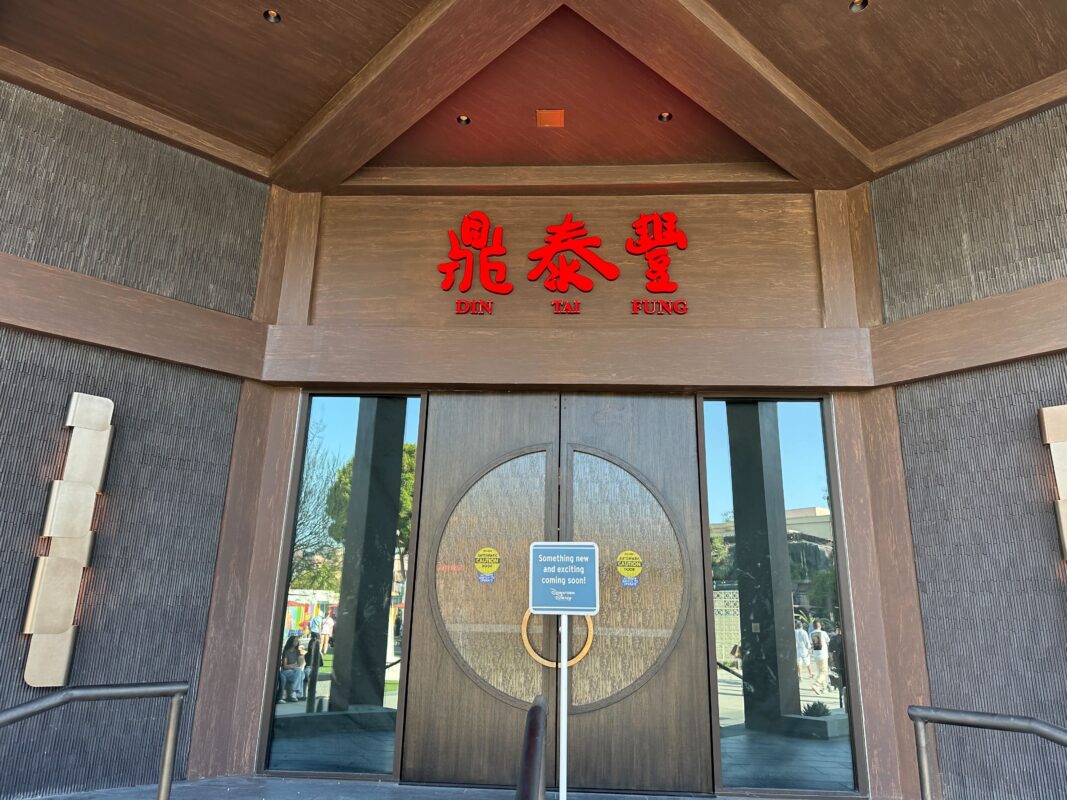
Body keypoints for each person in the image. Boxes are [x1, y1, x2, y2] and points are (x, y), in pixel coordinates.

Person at [278, 636, 305, 702]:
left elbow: (299, 664)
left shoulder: (297, 652)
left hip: (294, 671)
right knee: (300, 673)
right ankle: (295, 693)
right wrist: (293, 665)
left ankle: (293, 692)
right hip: (286, 672)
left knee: (300, 672)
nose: (296, 642)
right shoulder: (286, 652)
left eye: (297, 641)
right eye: (295, 641)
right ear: (291, 642)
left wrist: (301, 655)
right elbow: (285, 666)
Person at [829, 624, 848, 707]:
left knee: (841, 685)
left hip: (838, 664)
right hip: (845, 664)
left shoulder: (833, 639)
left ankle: (843, 701)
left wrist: (831, 663)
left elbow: (830, 652)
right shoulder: (846, 637)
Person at [810, 620, 831, 694]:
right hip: (823, 655)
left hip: (816, 655)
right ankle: (816, 684)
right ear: (820, 626)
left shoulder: (811, 634)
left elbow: (811, 644)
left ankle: (824, 688)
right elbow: (828, 641)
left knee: (821, 671)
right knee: (824, 672)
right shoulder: (823, 633)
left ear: (813, 626)